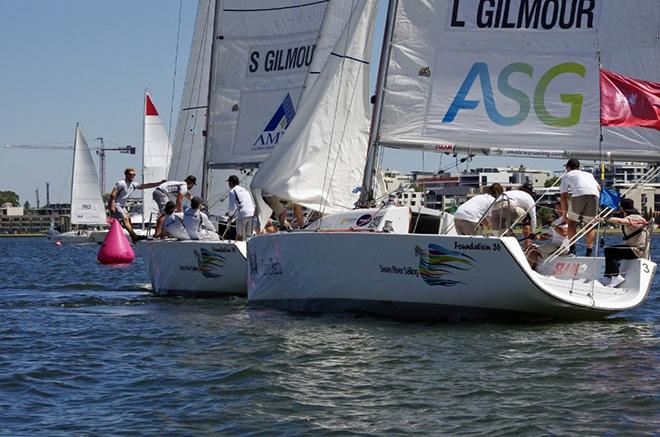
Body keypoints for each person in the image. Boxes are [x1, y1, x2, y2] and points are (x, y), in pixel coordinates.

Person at [107, 167, 164, 243]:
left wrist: (159, 183)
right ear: (126, 175)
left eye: (134, 175)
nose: (132, 176)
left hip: (122, 206)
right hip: (116, 204)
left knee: (129, 219)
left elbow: (145, 186)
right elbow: (113, 194)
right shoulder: (121, 183)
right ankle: (135, 236)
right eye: (130, 175)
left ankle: (133, 238)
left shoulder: (134, 185)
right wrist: (111, 206)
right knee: (125, 219)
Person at [601, 198, 649, 287]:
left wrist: (605, 218)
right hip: (634, 249)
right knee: (610, 250)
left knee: (609, 251)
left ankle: (615, 277)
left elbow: (621, 221)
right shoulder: (637, 216)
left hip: (637, 251)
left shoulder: (635, 218)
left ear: (622, 208)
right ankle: (608, 276)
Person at [560, 158, 601, 256]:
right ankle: (589, 252)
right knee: (589, 224)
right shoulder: (589, 174)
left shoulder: (566, 176)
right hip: (594, 195)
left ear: (567, 167)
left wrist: (564, 213)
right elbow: (599, 188)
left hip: (579, 195)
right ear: (579, 167)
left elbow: (563, 196)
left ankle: (572, 249)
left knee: (572, 221)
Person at [526, 201, 569, 269]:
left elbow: (564, 233)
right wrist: (536, 236)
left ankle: (527, 271)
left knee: (534, 251)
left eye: (560, 209)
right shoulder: (557, 221)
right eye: (557, 209)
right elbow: (547, 236)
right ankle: (532, 269)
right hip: (555, 245)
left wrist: (552, 224)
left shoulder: (567, 218)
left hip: (562, 246)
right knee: (531, 247)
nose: (558, 211)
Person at [227, 175, 256, 241]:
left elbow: (231, 207)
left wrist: (230, 216)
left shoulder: (232, 191)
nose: (228, 185)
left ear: (231, 183)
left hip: (242, 214)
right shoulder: (245, 190)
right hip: (252, 214)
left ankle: (239, 249)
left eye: (229, 183)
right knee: (249, 236)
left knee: (239, 235)